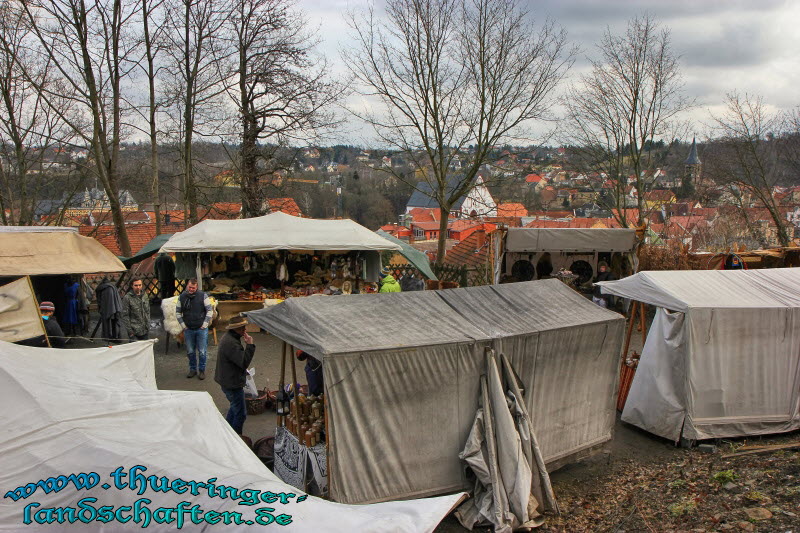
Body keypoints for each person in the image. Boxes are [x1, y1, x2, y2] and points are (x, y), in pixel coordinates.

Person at [214, 316, 255, 435]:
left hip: (228, 379)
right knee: (240, 414)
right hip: (231, 383)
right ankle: (236, 439)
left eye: (244, 327)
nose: (244, 330)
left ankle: (227, 433)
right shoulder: (231, 343)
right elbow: (243, 362)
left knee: (234, 408)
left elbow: (237, 360)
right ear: (235, 329)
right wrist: (250, 345)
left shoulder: (230, 338)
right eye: (241, 328)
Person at [176, 278, 213, 379]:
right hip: (188, 329)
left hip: (201, 329)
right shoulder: (182, 297)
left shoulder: (203, 296)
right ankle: (192, 369)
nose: (191, 289)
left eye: (193, 288)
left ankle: (201, 370)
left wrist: (205, 324)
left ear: (197, 287)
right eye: (190, 287)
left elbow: (209, 310)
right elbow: (178, 312)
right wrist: (183, 326)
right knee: (190, 351)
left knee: (202, 351)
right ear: (187, 285)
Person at [95, 278, 124, 342]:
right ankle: (116, 337)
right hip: (114, 308)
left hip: (105, 308)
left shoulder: (100, 288)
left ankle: (108, 337)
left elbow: (99, 299)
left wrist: (100, 307)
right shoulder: (113, 287)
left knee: (106, 323)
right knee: (115, 322)